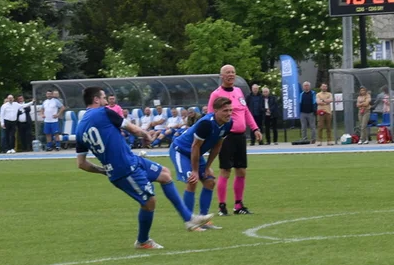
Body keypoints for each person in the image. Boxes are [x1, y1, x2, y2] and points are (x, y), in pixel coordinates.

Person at [76, 87, 213, 249]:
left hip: (131, 160)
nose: (107, 101)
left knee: (165, 174)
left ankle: (189, 219)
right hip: (124, 169)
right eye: (104, 98)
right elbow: (131, 128)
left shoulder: (79, 129)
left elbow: (82, 163)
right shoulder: (104, 112)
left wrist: (103, 170)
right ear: (96, 100)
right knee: (149, 202)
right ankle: (142, 241)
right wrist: (146, 135)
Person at [170, 96, 235, 228]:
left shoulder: (228, 123)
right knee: (192, 180)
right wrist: (195, 171)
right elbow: (195, 146)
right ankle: (190, 222)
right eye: (225, 110)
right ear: (215, 111)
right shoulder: (206, 124)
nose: (228, 113)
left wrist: (207, 167)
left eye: (230, 110)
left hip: (195, 153)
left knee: (210, 181)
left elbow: (217, 145)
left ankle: (203, 221)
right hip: (181, 151)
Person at [207, 64, 262, 216]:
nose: (231, 75)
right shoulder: (216, 94)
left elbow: (246, 111)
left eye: (233, 72)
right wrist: (214, 135)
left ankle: (238, 205)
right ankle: (222, 206)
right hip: (225, 136)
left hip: (240, 136)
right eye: (228, 73)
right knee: (225, 170)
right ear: (222, 76)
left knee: (241, 170)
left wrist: (255, 128)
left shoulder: (238, 91)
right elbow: (210, 117)